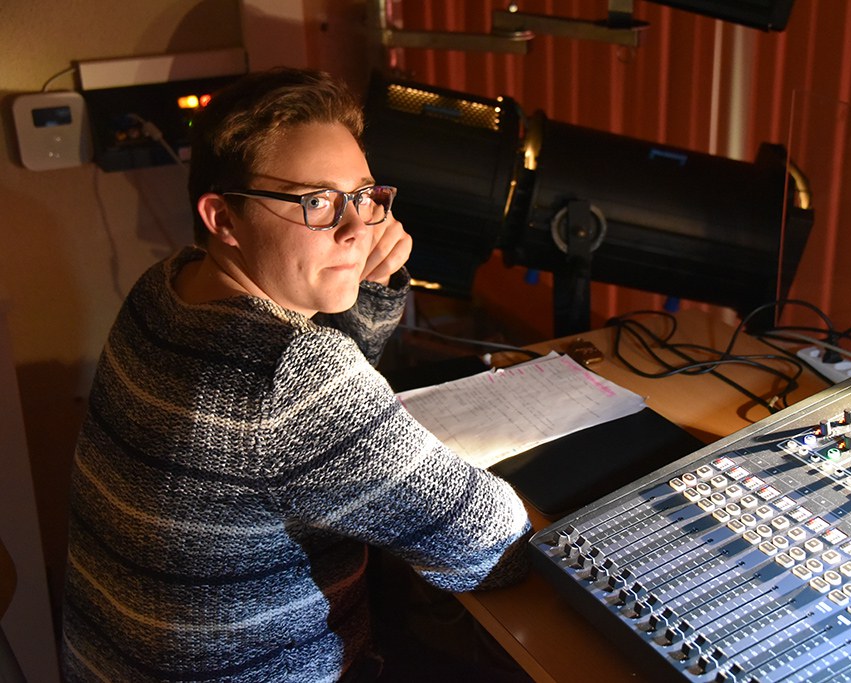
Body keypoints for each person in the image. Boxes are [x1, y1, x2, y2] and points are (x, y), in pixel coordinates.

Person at [61, 67, 532, 682]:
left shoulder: (168, 284)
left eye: (363, 195)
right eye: (317, 202)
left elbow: (311, 419)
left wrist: (368, 290)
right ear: (223, 219)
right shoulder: (291, 379)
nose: (358, 229)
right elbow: (488, 544)